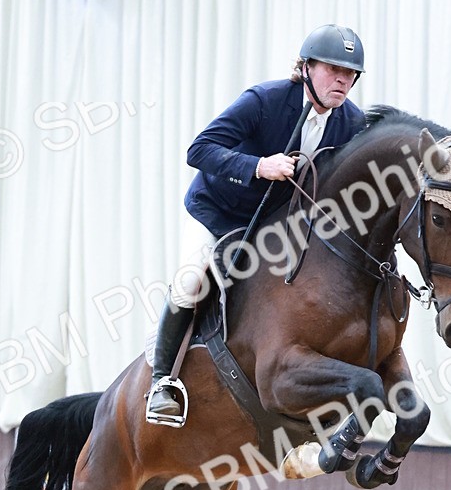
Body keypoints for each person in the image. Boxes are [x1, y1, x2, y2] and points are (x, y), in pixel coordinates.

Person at [146, 23, 367, 423]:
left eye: (350, 73)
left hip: (272, 228)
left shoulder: (350, 122)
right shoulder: (264, 100)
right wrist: (259, 166)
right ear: (305, 68)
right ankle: (163, 382)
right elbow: (200, 149)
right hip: (219, 211)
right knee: (191, 280)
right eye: (333, 69)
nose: (342, 80)